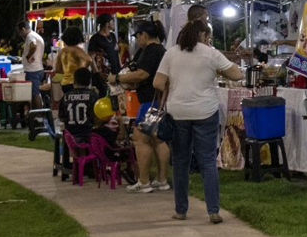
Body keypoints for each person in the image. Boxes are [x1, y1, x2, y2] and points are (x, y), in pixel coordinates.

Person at [154, 20, 242, 223]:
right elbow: (237, 74)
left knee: (180, 161)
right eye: (208, 36)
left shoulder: (172, 53)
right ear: (203, 35)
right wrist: (217, 71)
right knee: (208, 161)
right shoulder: (210, 53)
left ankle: (181, 210)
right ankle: (213, 210)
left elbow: (157, 82)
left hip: (178, 113)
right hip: (205, 111)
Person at [108, 20, 169, 193]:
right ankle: (162, 180)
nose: (137, 40)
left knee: (140, 139)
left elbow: (142, 74)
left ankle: (144, 181)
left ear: (144, 34)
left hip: (149, 102)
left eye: (138, 36)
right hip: (159, 101)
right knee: (159, 140)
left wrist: (117, 79)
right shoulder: (159, 51)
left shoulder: (152, 51)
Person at [61, 67, 132, 166]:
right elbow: (96, 116)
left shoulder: (65, 96)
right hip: (88, 133)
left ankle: (79, 164)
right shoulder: (92, 95)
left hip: (71, 135)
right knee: (109, 133)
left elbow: (61, 117)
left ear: (74, 80)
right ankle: (112, 158)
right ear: (89, 81)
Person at [54, 26, 94, 94]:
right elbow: (89, 59)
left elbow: (57, 69)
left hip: (64, 83)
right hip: (76, 83)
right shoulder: (77, 50)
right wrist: (82, 70)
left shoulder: (62, 51)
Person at [18, 21, 46, 109]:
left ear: (23, 29)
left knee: (35, 94)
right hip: (36, 69)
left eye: (20, 32)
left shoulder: (30, 36)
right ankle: (35, 115)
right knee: (34, 94)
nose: (20, 35)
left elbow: (33, 46)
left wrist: (28, 57)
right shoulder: (34, 35)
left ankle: (39, 117)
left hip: (33, 70)